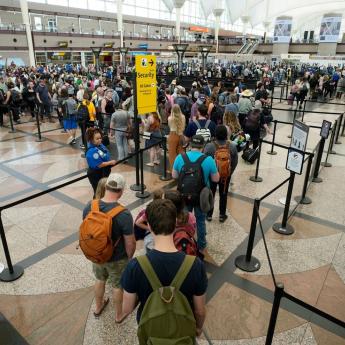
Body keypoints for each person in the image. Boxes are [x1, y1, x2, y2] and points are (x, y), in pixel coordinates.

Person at [119, 199, 207, 342]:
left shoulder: (135, 267)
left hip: (151, 330)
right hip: (182, 330)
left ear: (150, 227)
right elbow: (200, 311)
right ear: (175, 224)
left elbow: (127, 308)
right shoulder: (195, 265)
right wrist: (198, 328)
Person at [83, 173, 136, 320]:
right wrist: (129, 257)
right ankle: (119, 315)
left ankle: (98, 307)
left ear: (105, 187)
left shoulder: (90, 206)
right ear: (121, 190)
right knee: (117, 285)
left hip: (97, 254)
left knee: (100, 279)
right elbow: (130, 243)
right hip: (117, 258)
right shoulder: (124, 214)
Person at [172, 135, 219, 253]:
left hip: (183, 195)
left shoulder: (180, 157)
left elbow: (174, 176)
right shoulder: (208, 159)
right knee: (200, 220)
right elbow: (216, 179)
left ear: (190, 145)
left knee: (184, 219)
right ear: (202, 146)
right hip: (201, 196)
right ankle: (201, 245)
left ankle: (182, 240)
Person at [204, 125, 238, 222]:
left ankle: (209, 215)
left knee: (211, 193)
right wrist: (229, 173)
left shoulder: (209, 146)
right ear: (226, 135)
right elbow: (235, 161)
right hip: (225, 176)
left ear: (215, 134)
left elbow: (204, 161)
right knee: (224, 194)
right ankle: (222, 215)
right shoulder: (231, 146)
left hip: (212, 175)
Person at [85, 127, 116, 196]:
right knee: (98, 192)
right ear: (91, 140)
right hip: (96, 174)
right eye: (97, 139)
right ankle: (96, 205)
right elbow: (99, 164)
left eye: (100, 138)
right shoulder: (92, 151)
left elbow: (104, 154)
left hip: (103, 171)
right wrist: (110, 163)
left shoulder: (100, 145)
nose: (100, 140)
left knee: (103, 190)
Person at [167, 104, 186, 171]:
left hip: (173, 135)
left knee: (172, 153)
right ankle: (182, 168)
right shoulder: (183, 117)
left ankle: (173, 170)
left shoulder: (170, 118)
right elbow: (184, 127)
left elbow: (169, 127)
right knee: (181, 153)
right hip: (181, 135)